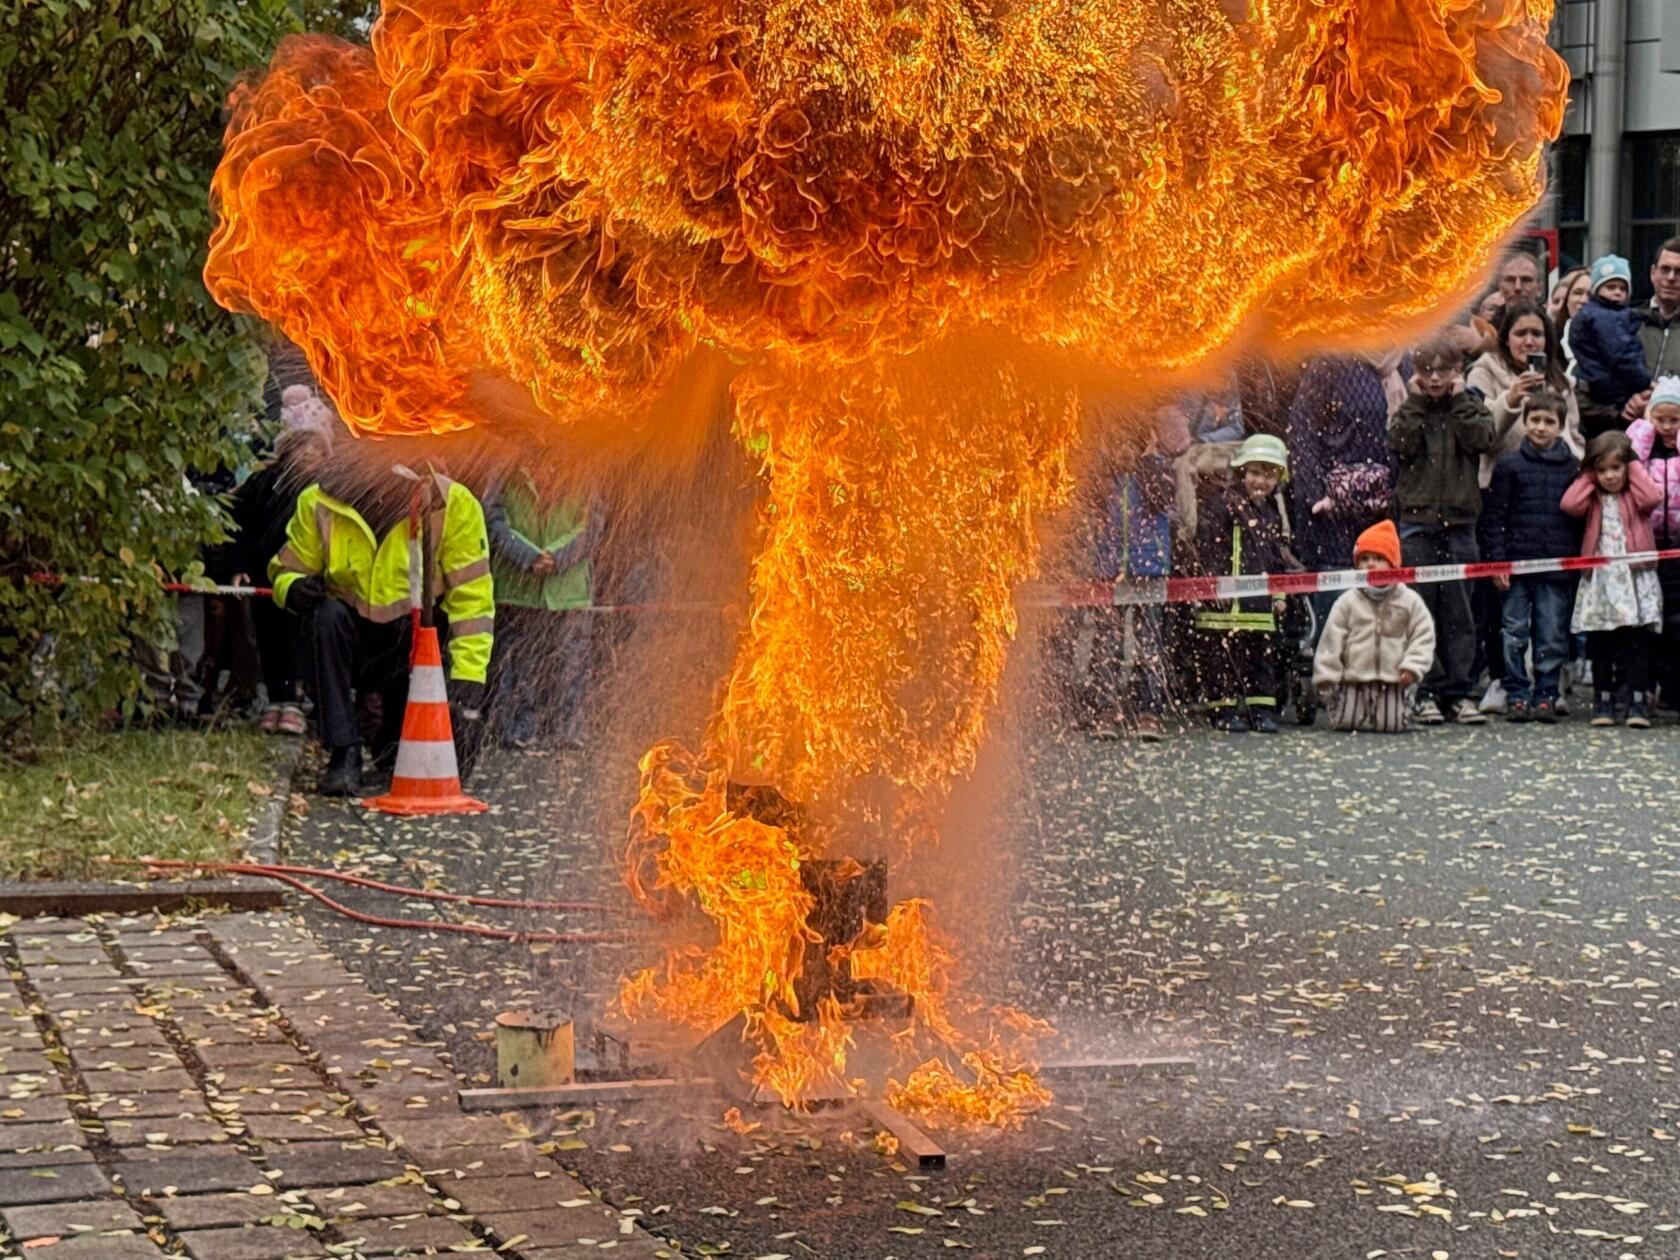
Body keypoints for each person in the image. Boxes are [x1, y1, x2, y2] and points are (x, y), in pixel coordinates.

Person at [269, 463, 495, 795]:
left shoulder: (453, 505)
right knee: (325, 617)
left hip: (415, 644)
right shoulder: (319, 499)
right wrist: (292, 587)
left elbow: (472, 601)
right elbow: (285, 570)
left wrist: (468, 676)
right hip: (351, 639)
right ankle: (343, 752)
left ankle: (392, 738)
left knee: (412, 764)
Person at [1388, 336, 1496, 725]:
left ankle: (1460, 690)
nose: (1435, 379)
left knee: (1461, 611)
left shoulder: (1472, 405)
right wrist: (1416, 401)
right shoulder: (1408, 407)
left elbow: (1482, 439)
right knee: (1421, 608)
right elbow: (1399, 442)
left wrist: (1462, 399)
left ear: (1457, 372)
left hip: (1461, 523)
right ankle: (1427, 690)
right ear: (1415, 374)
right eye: (1427, 371)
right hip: (1418, 521)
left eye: (1443, 371)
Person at [1482, 392, 1582, 723]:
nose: (1541, 427)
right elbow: (1495, 518)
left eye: (1549, 421)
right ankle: (1517, 692)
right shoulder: (1509, 465)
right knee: (1513, 632)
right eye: (1535, 420)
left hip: (1556, 567)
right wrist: (1497, 561)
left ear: (1561, 426)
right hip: (1516, 566)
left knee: (1552, 632)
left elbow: (1577, 517)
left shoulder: (1571, 467)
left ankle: (1547, 694)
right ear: (1525, 422)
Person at [485, 471, 601, 750]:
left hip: (567, 593)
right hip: (519, 592)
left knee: (570, 663)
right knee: (518, 664)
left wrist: (557, 558)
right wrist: (529, 556)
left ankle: (567, 729)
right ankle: (518, 729)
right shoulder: (505, 473)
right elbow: (493, 521)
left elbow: (592, 525)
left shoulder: (584, 472)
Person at [230, 426, 333, 734]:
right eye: (303, 447)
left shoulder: (330, 488)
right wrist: (238, 567)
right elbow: (238, 528)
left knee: (303, 638)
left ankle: (297, 702)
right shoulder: (262, 484)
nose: (309, 454)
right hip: (267, 575)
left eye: (316, 448)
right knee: (269, 636)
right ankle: (278, 699)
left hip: (311, 579)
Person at [1286, 354, 1400, 629]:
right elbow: (1302, 431)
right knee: (1337, 618)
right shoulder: (1332, 360)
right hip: (1332, 514)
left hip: (1387, 511)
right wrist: (1315, 495)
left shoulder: (1402, 363)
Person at [1561, 430, 1663, 727]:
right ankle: (1603, 699)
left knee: (1636, 640)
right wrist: (1589, 476)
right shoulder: (1594, 497)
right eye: (1602, 469)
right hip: (1601, 579)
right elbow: (1569, 504)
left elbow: (1653, 496)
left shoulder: (1634, 493)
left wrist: (1632, 464)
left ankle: (1637, 701)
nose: (1609, 476)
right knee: (1601, 639)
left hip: (1634, 576)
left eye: (1615, 468)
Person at [1193, 434, 1293, 734]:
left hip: (1257, 605)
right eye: (1255, 473)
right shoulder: (1220, 505)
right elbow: (1209, 549)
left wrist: (1279, 593)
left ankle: (1260, 709)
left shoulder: (1272, 513)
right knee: (1220, 659)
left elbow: (1278, 560)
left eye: (1269, 474)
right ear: (1241, 472)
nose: (1261, 481)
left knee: (1259, 658)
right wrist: (1214, 586)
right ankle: (1222, 710)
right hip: (1222, 605)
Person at [1090, 414, 1182, 741]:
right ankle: (1107, 709)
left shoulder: (1159, 469)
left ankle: (1149, 710)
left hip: (1149, 569)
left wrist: (1147, 463)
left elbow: (1164, 501)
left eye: (1131, 442)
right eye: (1118, 442)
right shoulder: (1104, 476)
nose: (1124, 449)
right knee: (1109, 643)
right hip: (1110, 570)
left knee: (1150, 643)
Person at [1311, 520, 1435, 732]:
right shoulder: (1347, 601)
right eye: (1365, 559)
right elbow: (1331, 641)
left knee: (1391, 725)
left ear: (1393, 564)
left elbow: (1423, 636)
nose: (1370, 564)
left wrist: (1413, 667)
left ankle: (1404, 703)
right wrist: (1327, 677)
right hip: (1353, 678)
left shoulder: (1409, 600)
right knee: (1345, 722)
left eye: (1379, 559)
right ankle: (1344, 704)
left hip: (1393, 679)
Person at [1626, 375, 1680, 706]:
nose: (1667, 426)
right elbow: (1633, 468)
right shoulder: (1643, 446)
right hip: (1646, 542)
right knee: (1647, 619)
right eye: (1660, 419)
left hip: (1676, 543)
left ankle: (1673, 687)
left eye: (1675, 420)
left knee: (1675, 620)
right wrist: (1645, 432)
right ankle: (1645, 684)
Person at [1569, 255, 1652, 440]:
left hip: (1596, 385)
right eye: (1610, 287)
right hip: (1609, 389)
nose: (1617, 292)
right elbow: (1622, 354)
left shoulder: (1598, 314)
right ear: (1597, 289)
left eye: (1622, 288)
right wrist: (1645, 381)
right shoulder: (1606, 317)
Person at [1626, 238, 1680, 422]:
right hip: (1628, 429)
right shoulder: (1627, 321)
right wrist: (1628, 401)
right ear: (1652, 273)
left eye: (1679, 272)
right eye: (1665, 270)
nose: (1671, 278)